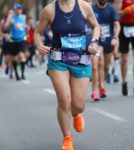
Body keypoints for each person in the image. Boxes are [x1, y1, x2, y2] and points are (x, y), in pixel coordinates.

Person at [34, 0, 100, 149]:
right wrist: (38, 44)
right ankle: (67, 138)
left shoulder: (84, 6)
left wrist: (94, 42)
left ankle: (76, 114)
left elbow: (96, 26)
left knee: (78, 105)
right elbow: (37, 32)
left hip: (81, 59)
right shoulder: (49, 10)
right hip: (58, 60)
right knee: (64, 100)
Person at [119, 0, 134, 96]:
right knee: (124, 58)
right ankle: (124, 82)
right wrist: (126, 11)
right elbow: (116, 13)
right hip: (124, 28)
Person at [4, 3, 27, 80]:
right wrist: (9, 22)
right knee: (13, 59)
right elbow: (5, 27)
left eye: (20, 9)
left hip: (21, 40)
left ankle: (23, 73)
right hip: (13, 40)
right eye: (17, 9)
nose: (18, 10)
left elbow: (25, 27)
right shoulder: (11, 17)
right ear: (14, 10)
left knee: (21, 55)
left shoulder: (23, 17)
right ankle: (16, 74)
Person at [0, 9, 14, 78]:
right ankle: (7, 66)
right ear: (7, 14)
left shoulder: (15, 20)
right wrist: (4, 35)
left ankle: (11, 72)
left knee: (12, 58)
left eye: (12, 13)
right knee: (6, 60)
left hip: (13, 42)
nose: (11, 14)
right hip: (6, 42)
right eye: (9, 13)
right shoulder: (3, 21)